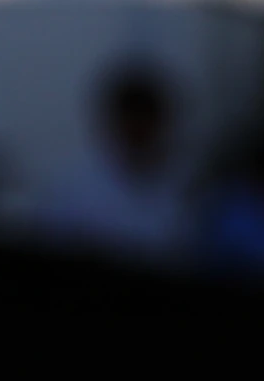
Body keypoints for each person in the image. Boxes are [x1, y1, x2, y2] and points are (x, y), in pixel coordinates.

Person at [18, 59, 197, 267]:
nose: (139, 130)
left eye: (147, 121)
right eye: (132, 120)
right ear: (114, 121)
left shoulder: (187, 188)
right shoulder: (71, 188)